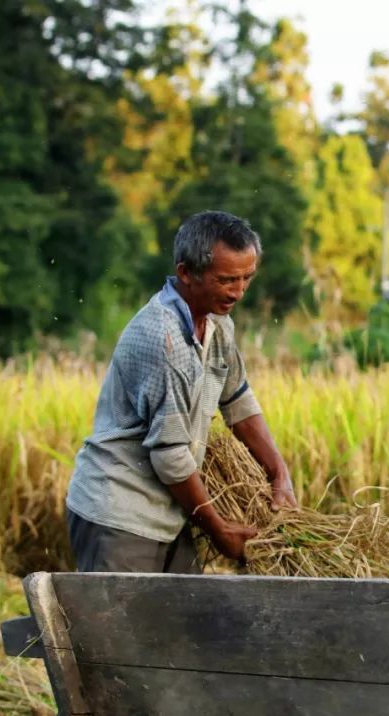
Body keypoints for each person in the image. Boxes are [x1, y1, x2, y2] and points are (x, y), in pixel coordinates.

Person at [65, 210, 297, 574]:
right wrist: (218, 531)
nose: (238, 292)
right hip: (121, 514)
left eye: (246, 278)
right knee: (116, 630)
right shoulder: (163, 339)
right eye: (226, 280)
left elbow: (237, 400)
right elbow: (170, 456)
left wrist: (279, 473)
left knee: (181, 626)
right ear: (186, 272)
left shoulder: (218, 323)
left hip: (172, 514)